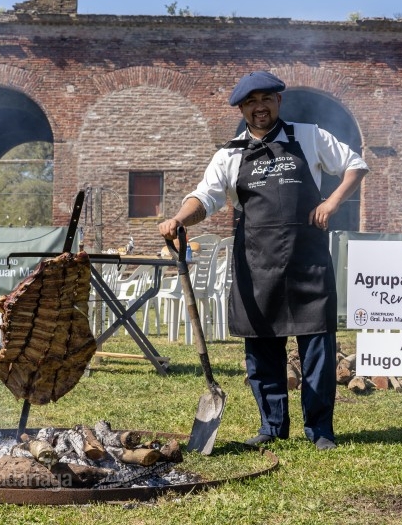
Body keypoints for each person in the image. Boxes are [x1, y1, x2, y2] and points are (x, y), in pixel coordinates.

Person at [158, 71, 369, 451]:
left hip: (308, 261)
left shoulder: (309, 136)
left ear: (278, 102)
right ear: (242, 108)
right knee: (261, 348)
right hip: (256, 263)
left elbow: (355, 165)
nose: (260, 108)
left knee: (317, 350)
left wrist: (331, 203)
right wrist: (178, 218)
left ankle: (320, 430)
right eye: (251, 102)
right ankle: (272, 426)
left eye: (266, 100)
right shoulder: (230, 154)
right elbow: (204, 198)